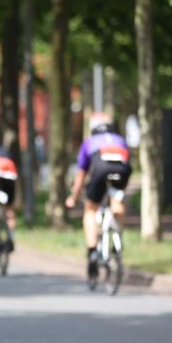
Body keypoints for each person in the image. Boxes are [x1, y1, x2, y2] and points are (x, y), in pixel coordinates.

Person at [65, 112, 132, 278]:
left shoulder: (89, 142)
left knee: (90, 210)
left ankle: (92, 252)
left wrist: (74, 197)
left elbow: (81, 174)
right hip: (122, 170)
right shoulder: (120, 140)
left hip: (101, 170)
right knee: (117, 202)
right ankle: (117, 240)